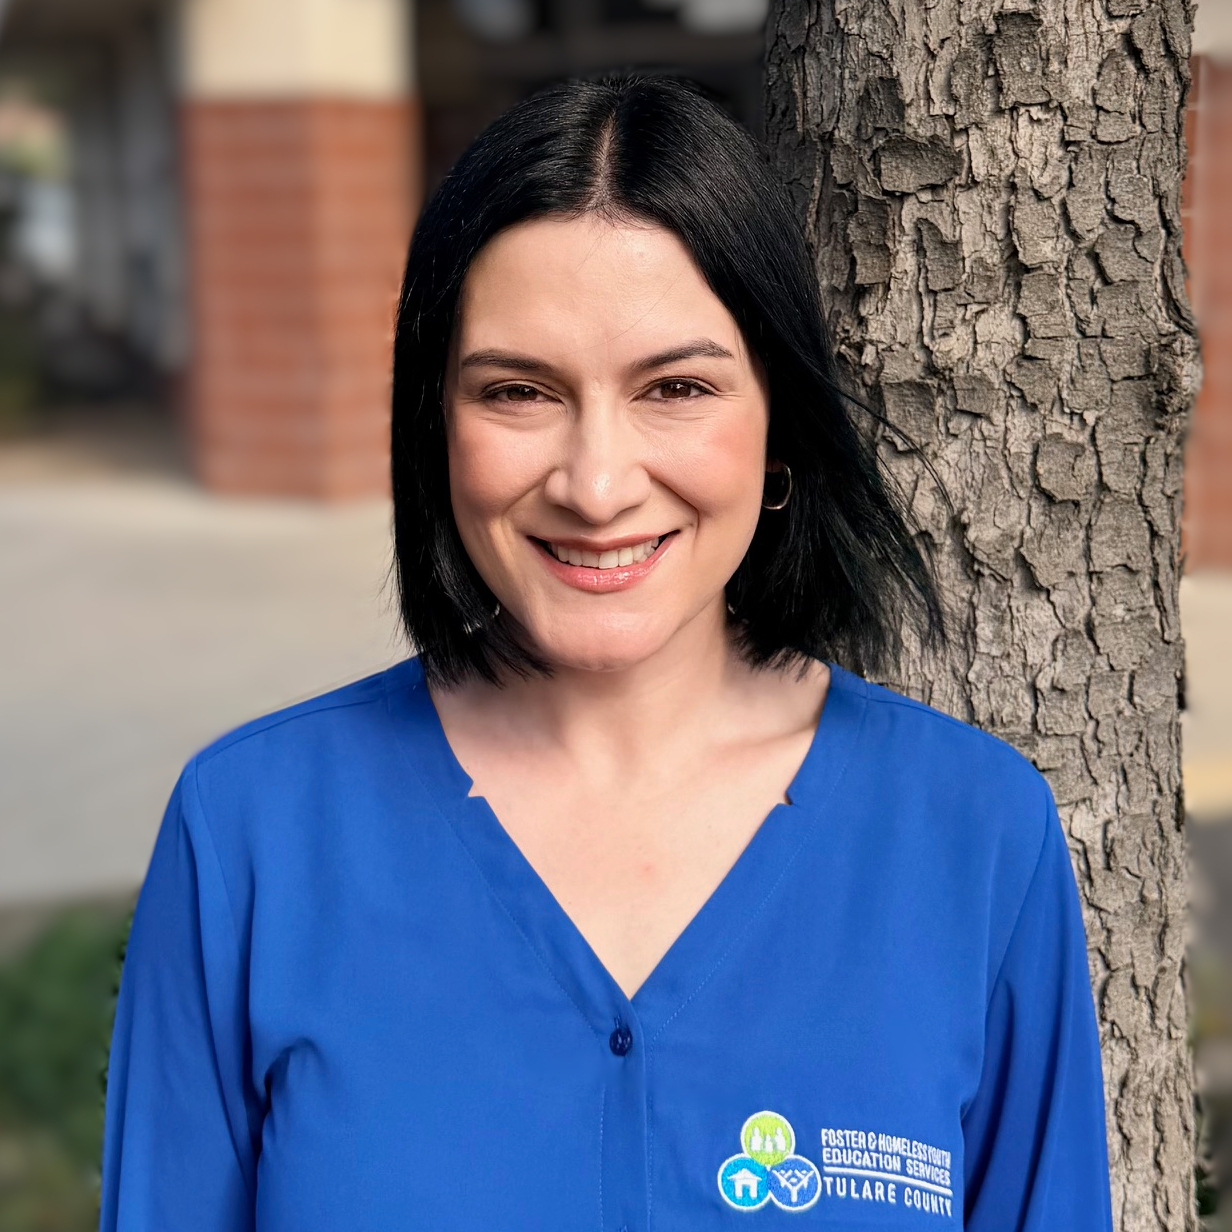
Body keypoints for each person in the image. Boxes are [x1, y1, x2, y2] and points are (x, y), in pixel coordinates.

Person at [99, 74, 1113, 1230]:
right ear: (435, 424)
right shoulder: (253, 831)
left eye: (675, 387)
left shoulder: (971, 834)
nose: (593, 483)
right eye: (517, 391)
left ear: (777, 417)